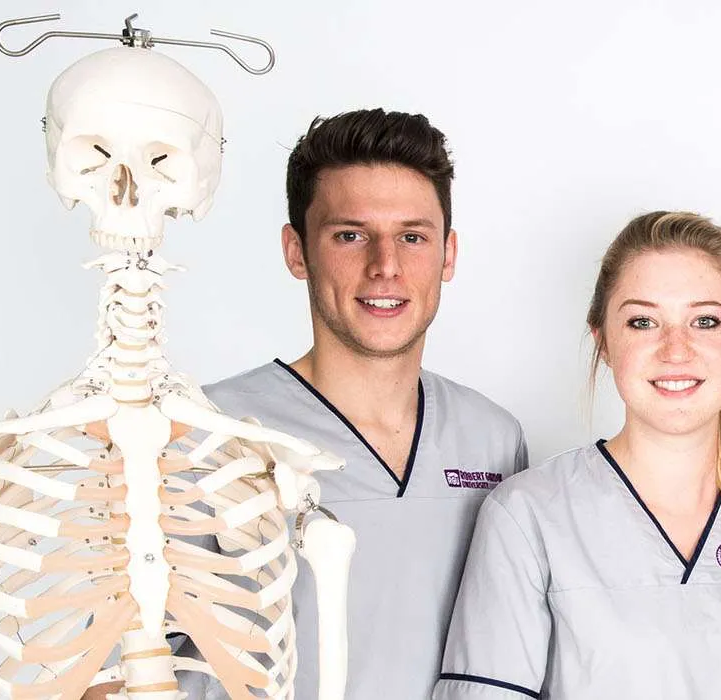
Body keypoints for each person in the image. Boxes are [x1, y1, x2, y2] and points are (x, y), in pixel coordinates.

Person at [156, 108, 529, 700]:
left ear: (448, 255)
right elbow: (119, 666)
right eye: (349, 235)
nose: (385, 265)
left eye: (413, 236)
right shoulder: (204, 432)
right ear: (297, 251)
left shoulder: (493, 439)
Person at [431, 211, 721, 699]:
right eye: (643, 321)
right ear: (605, 342)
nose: (676, 350)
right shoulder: (527, 517)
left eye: (705, 321)